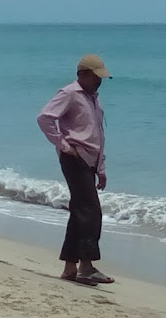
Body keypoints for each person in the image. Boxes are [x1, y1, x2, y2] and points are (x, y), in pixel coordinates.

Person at [37, 54, 113, 285]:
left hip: (89, 159)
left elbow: (97, 134)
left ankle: (71, 267)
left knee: (80, 212)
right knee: (91, 211)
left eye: (101, 77)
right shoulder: (70, 93)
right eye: (95, 76)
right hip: (75, 156)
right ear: (82, 74)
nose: (99, 81)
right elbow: (45, 118)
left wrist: (101, 167)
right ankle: (86, 266)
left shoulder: (94, 98)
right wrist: (63, 144)